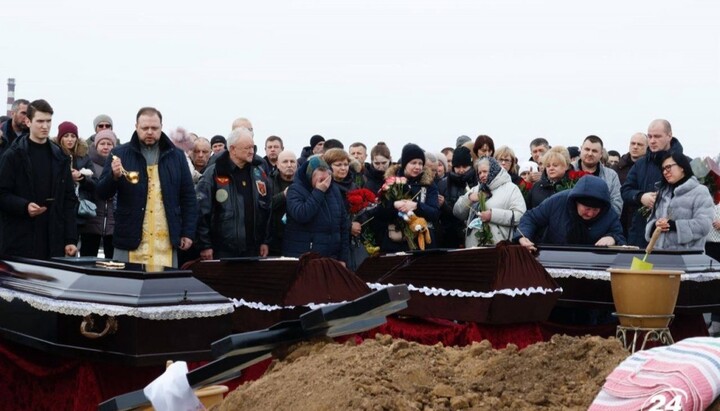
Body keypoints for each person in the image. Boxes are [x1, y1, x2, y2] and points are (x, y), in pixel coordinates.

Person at [96, 107, 197, 268]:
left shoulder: (176, 156)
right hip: (130, 238)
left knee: (163, 289)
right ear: (136, 126)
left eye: (154, 128)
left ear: (161, 127)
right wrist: (113, 177)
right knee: (128, 287)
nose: (150, 132)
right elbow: (102, 192)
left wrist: (188, 232)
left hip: (166, 240)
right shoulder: (119, 153)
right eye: (145, 128)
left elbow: (188, 197)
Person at [0, 99, 78, 259]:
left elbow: (69, 200)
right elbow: (2, 194)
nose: (45, 126)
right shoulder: (13, 155)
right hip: (20, 239)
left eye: (48, 121)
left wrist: (70, 239)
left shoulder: (60, 157)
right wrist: (24, 206)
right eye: (40, 121)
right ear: (28, 122)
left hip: (53, 240)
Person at [196, 127, 271, 259]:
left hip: (253, 251)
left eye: (252, 147)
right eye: (246, 148)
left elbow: (266, 210)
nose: (251, 152)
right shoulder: (214, 173)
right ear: (233, 149)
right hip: (222, 252)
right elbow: (201, 212)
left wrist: (265, 241)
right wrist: (205, 245)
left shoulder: (259, 173)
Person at [516, 175, 625, 251]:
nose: (591, 214)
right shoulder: (557, 201)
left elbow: (619, 235)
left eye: (596, 210)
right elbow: (531, 218)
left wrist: (612, 238)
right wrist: (524, 236)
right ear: (576, 202)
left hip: (593, 262)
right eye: (587, 209)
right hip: (554, 256)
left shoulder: (608, 212)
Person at [621, 119, 685, 247]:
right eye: (649, 136)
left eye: (657, 136)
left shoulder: (685, 163)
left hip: (672, 235)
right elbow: (625, 191)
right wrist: (640, 197)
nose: (652, 141)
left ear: (669, 136)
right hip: (641, 234)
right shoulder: (640, 164)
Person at [282, 156, 349, 263]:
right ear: (310, 177)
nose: (325, 183)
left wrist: (343, 258)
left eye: (327, 178)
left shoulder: (334, 190)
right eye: (321, 180)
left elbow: (343, 225)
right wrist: (319, 192)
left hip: (331, 258)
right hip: (305, 257)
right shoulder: (295, 190)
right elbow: (301, 214)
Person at [376, 143, 440, 252]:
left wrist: (416, 206)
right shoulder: (391, 183)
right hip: (396, 241)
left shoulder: (429, 184)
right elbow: (380, 211)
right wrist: (394, 205)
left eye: (420, 163)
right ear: (405, 164)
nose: (417, 167)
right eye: (413, 163)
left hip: (422, 242)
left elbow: (435, 213)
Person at [645, 151, 713, 250]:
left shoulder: (700, 191)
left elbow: (704, 225)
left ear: (682, 167)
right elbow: (651, 220)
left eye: (668, 167)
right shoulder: (663, 193)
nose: (665, 172)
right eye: (663, 169)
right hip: (659, 256)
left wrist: (674, 225)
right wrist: (655, 225)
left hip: (688, 257)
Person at [454, 156, 526, 247]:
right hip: (474, 248)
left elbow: (520, 216)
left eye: (485, 171)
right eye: (479, 173)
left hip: (499, 247)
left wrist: (493, 215)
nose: (481, 175)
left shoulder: (511, 189)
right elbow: (457, 212)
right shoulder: (476, 189)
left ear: (494, 170)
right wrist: (469, 198)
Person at [80, 130, 118, 258]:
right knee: (87, 261)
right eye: (102, 143)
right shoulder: (88, 163)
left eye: (109, 144)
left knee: (112, 264)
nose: (106, 147)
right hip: (91, 220)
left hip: (113, 223)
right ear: (96, 146)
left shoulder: (119, 164)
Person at [573, 135, 622, 216]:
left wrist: (595, 217)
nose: (590, 153)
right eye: (587, 149)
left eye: (594, 151)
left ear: (601, 154)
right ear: (581, 149)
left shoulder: (611, 176)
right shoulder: (568, 170)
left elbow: (617, 206)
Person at [437, 146, 475, 248]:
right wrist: (444, 205)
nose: (461, 170)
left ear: (470, 166)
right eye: (458, 167)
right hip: (450, 237)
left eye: (465, 166)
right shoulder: (443, 184)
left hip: (473, 233)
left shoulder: (477, 182)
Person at [614, 132, 648, 238]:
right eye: (633, 143)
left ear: (647, 147)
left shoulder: (650, 168)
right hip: (620, 219)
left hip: (641, 220)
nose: (635, 147)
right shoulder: (616, 168)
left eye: (639, 144)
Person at [268, 150, 297, 256]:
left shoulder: (303, 183)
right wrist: (283, 195)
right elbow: (264, 206)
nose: (289, 165)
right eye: (285, 162)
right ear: (277, 165)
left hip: (296, 239)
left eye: (292, 162)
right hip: (274, 241)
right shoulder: (268, 182)